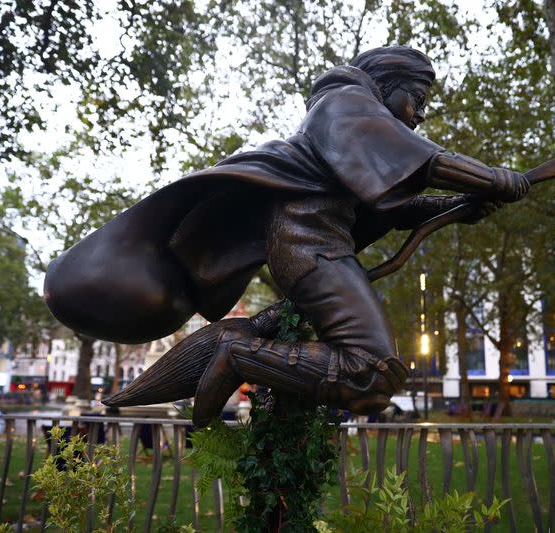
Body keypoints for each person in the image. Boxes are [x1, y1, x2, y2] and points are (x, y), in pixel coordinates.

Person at [44, 46, 529, 427]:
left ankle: (243, 351)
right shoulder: (343, 104)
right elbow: (421, 158)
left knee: (370, 374)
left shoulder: (350, 131)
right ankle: (239, 353)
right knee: (369, 373)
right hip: (309, 247)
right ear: (386, 83)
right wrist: (492, 177)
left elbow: (388, 202)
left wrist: (459, 207)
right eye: (417, 100)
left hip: (318, 247)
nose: (420, 115)